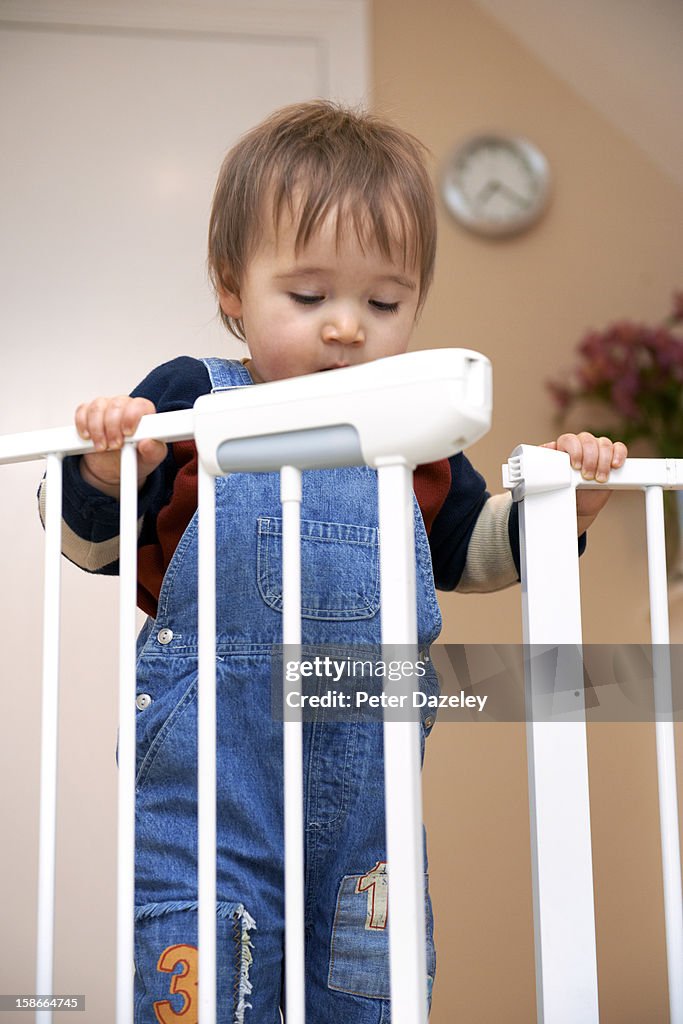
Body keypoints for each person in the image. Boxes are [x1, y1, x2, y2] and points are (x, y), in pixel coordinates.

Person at [40, 101, 626, 1023]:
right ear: (232, 287)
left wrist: (567, 505)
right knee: (209, 986)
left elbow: (473, 552)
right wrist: (115, 465)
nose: (347, 327)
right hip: (205, 802)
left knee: (367, 993)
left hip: (370, 811)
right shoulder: (193, 398)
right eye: (308, 298)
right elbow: (89, 546)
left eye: (383, 303)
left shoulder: (415, 425)